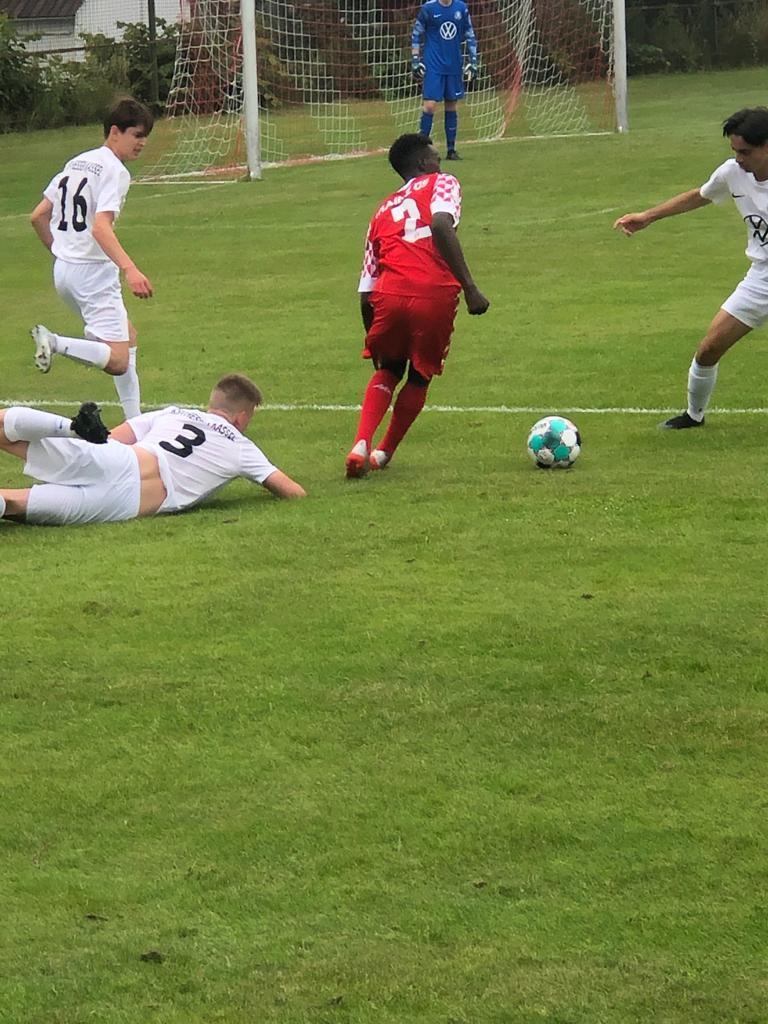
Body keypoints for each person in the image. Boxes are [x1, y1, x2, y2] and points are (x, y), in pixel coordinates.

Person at [345, 132, 489, 478]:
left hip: (388, 295)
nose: (439, 162)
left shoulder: (382, 210)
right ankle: (383, 453)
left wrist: (373, 337)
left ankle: (360, 444)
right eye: (436, 157)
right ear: (424, 163)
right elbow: (440, 224)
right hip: (432, 292)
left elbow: (366, 287)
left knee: (388, 369)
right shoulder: (443, 182)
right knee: (420, 374)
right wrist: (470, 288)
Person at [614, 106, 768, 429]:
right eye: (735, 151)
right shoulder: (732, 173)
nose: (739, 158)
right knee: (709, 348)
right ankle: (693, 415)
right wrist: (648, 217)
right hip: (762, 278)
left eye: (745, 152)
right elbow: (699, 196)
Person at [0, 374, 306, 526]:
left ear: (211, 404)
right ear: (241, 417)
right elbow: (293, 492)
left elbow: (110, 438)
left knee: (7, 430)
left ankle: (71, 428)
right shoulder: (241, 447)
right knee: (13, 504)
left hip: (120, 461)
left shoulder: (173, 413)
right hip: (127, 505)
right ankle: (71, 430)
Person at [29, 97, 155, 420]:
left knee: (128, 335)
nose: (142, 142)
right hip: (94, 275)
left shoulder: (77, 163)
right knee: (118, 359)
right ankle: (54, 342)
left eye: (145, 136)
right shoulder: (115, 171)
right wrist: (130, 269)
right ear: (114, 132)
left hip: (64, 273)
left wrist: (62, 253)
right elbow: (101, 227)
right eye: (136, 134)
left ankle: (135, 421)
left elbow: (38, 216)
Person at [411, 0, 478, 161]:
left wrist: (474, 61)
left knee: (451, 104)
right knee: (430, 105)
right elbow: (416, 34)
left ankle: (451, 150)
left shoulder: (461, 8)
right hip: (433, 64)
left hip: (453, 63)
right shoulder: (428, 8)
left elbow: (469, 34)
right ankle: (422, 150)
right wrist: (415, 59)